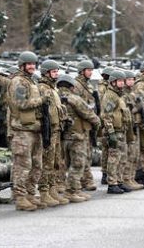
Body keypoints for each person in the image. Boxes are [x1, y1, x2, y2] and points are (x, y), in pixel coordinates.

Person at [7, 51, 48, 211]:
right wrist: (41, 100)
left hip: (34, 128)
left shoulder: (30, 81)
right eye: (29, 64)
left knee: (36, 164)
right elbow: (21, 103)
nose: (32, 67)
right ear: (22, 65)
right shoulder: (18, 82)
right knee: (22, 165)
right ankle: (20, 197)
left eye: (33, 64)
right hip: (22, 130)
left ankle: (30, 193)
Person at [58, 74, 100, 202]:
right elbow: (88, 114)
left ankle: (72, 189)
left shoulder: (56, 97)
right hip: (77, 136)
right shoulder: (74, 99)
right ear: (71, 86)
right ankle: (72, 191)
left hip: (64, 136)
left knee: (65, 164)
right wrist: (97, 122)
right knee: (77, 164)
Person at [37, 60, 69, 206]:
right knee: (47, 162)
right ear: (46, 72)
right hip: (49, 130)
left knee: (55, 162)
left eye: (57, 71)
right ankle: (44, 191)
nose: (56, 74)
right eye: (54, 71)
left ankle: (52, 189)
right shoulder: (43, 88)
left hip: (56, 129)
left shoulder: (52, 89)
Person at [101, 70, 131, 194]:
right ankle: (112, 183)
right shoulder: (110, 96)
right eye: (119, 81)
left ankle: (118, 181)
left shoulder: (118, 95)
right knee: (114, 158)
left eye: (123, 81)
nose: (122, 83)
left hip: (121, 131)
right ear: (113, 82)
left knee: (122, 157)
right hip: (114, 131)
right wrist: (111, 132)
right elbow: (106, 115)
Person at [73, 60, 98, 191]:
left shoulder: (87, 86)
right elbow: (79, 106)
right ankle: (85, 180)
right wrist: (94, 118)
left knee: (87, 154)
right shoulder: (77, 85)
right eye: (88, 70)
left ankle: (86, 179)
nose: (91, 72)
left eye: (91, 70)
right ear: (82, 71)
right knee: (82, 155)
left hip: (87, 124)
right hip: (80, 124)